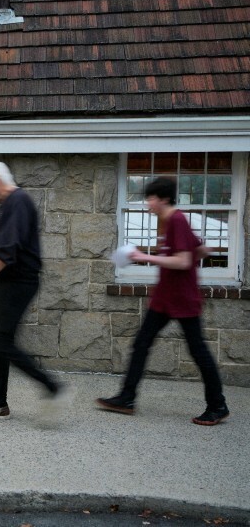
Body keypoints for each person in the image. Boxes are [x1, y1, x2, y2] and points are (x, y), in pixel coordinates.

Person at [96, 177, 229, 426]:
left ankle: (218, 405)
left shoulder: (176, 219)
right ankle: (126, 398)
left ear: (164, 199)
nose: (148, 203)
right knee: (142, 342)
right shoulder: (167, 221)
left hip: (183, 298)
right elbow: (200, 250)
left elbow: (183, 261)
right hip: (165, 298)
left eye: (151, 198)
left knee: (198, 351)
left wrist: (142, 256)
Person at [0, 161, 66, 422]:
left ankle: (52, 387)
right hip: (10, 283)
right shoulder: (11, 204)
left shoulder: (18, 201)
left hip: (18, 283)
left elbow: (8, 249)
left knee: (1, 341)